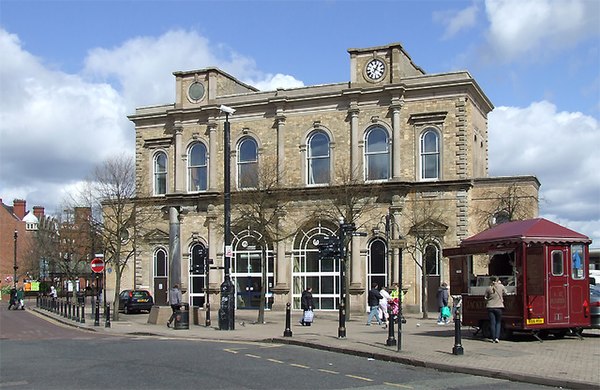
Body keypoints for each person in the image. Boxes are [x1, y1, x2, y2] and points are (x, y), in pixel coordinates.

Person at [484, 275, 507, 343]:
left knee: (492, 323)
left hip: (490, 307)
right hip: (499, 307)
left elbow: (485, 297)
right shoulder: (501, 286)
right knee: (498, 322)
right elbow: (506, 293)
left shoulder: (488, 288)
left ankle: (493, 338)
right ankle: (497, 337)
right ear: (497, 280)